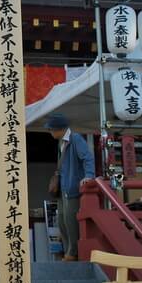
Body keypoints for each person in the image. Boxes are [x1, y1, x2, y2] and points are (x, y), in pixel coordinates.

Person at [45, 112, 95, 261]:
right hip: (63, 187)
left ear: (59, 129)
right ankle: (69, 251)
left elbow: (87, 158)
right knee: (62, 220)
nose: (50, 132)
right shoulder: (61, 142)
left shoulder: (75, 139)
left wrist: (89, 176)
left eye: (51, 129)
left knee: (70, 220)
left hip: (73, 187)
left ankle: (72, 252)